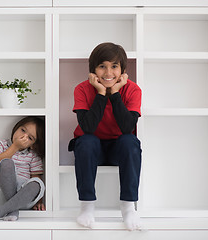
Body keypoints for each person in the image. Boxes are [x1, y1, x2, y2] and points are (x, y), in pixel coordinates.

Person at [69, 42, 142, 230]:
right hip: (93, 148)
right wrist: (102, 93)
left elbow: (127, 127)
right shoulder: (83, 89)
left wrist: (115, 93)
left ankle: (128, 207)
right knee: (86, 141)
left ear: (123, 70)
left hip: (119, 147)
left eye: (114, 66)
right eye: (102, 66)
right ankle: (86, 206)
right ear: (93, 70)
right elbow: (88, 127)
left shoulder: (133, 90)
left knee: (130, 141)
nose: (108, 72)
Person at [0, 116, 45, 221]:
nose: (23, 136)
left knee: (38, 183)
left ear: (33, 145)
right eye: (22, 130)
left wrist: (39, 201)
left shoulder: (33, 155)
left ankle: (0, 212)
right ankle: (10, 210)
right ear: (17, 127)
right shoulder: (1, 144)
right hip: (0, 194)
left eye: (30, 138)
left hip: (23, 197)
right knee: (6, 163)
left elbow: (36, 178)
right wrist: (15, 146)